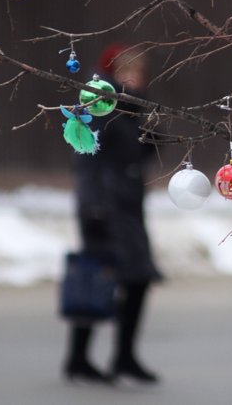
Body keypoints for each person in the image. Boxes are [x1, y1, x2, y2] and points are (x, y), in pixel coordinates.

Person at [63, 43, 162, 384]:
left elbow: (143, 155)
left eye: (139, 72)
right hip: (104, 209)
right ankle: (82, 359)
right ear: (112, 73)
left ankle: (121, 356)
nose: (135, 78)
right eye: (127, 72)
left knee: (133, 280)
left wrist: (148, 122)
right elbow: (86, 158)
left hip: (126, 208)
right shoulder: (100, 106)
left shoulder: (130, 108)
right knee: (98, 277)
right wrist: (93, 207)